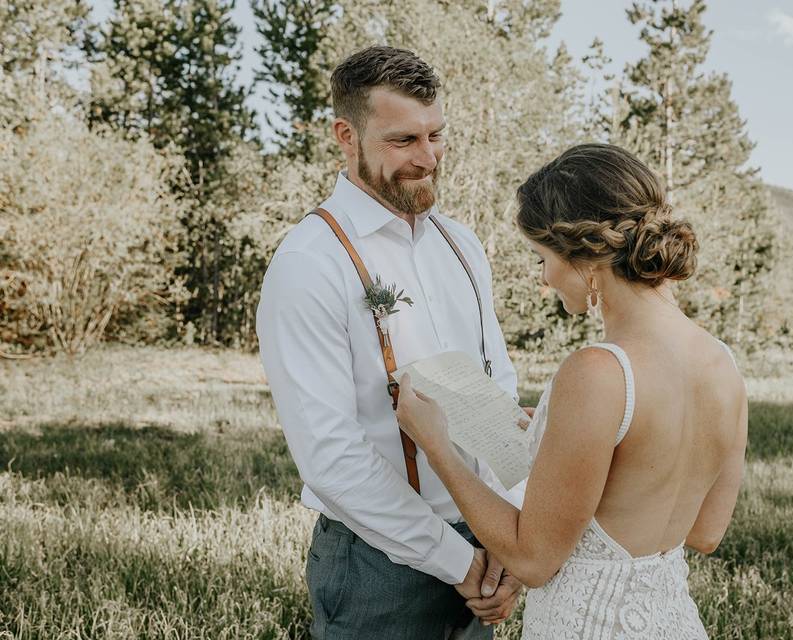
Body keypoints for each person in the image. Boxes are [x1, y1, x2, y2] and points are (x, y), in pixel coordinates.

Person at [396, 143, 748, 639]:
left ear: (585, 258)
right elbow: (706, 533)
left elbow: (533, 560)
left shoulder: (598, 372)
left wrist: (437, 448)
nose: (544, 277)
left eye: (542, 257)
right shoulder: (723, 363)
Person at [256, 46, 524, 640]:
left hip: (486, 535)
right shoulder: (310, 262)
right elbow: (329, 456)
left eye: (436, 136)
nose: (427, 158)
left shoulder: (461, 244)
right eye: (403, 141)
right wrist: (454, 561)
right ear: (345, 136)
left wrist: (510, 528)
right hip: (380, 560)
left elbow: (495, 386)